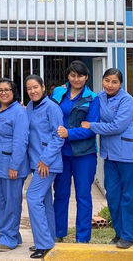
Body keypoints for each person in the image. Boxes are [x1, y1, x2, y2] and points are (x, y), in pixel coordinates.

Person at [81, 68, 133, 250]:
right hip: (109, 155)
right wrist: (64, 88)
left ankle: (128, 236)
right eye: (107, 80)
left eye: (114, 82)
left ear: (120, 84)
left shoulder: (127, 100)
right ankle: (119, 232)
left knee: (129, 196)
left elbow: (117, 126)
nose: (110, 85)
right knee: (113, 195)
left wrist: (91, 126)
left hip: (128, 156)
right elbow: (83, 96)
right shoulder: (99, 97)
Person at [53, 60, 99, 243]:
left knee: (83, 195)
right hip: (61, 153)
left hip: (84, 154)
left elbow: (91, 128)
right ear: (68, 76)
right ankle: (58, 233)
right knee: (60, 194)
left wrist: (69, 133)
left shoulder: (92, 98)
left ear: (86, 77)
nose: (76, 79)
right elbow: (49, 113)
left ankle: (83, 238)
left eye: (80, 76)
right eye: (73, 75)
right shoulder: (59, 92)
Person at [24, 75, 65, 259]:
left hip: (47, 164)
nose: (32, 91)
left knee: (33, 198)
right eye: (29, 88)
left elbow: (58, 136)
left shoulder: (52, 107)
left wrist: (46, 160)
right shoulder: (30, 107)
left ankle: (44, 243)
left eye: (35, 87)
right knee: (45, 201)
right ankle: (48, 239)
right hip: (36, 162)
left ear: (43, 87)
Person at [0, 78, 29, 252]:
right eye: (0, 90)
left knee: (11, 203)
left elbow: (21, 140)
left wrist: (14, 165)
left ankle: (9, 238)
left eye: (7, 90)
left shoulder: (18, 112)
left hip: (11, 166)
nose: (3, 93)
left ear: (14, 92)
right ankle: (9, 234)